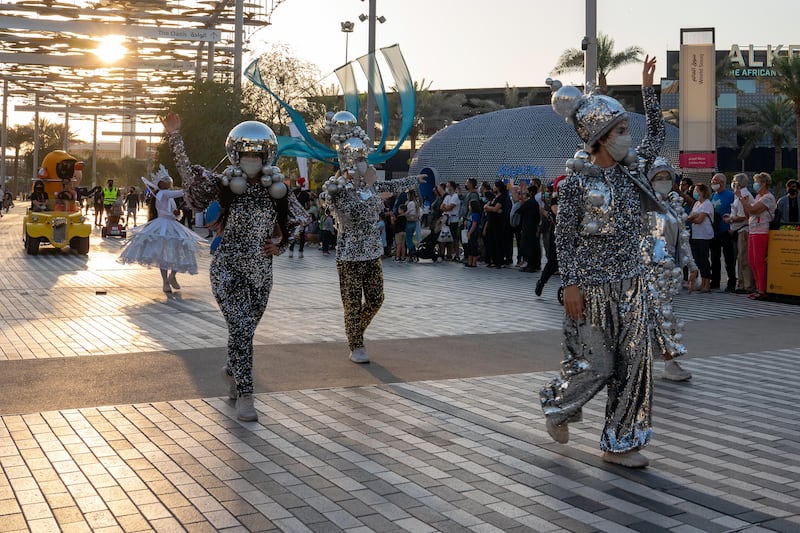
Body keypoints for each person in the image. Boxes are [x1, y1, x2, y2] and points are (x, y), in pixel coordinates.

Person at [540, 55, 664, 468]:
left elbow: (657, 135)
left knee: (635, 363)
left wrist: (649, 92)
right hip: (590, 289)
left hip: (632, 283)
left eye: (627, 129)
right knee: (597, 365)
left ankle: (621, 442)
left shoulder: (634, 172)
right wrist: (571, 283)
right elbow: (564, 236)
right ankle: (557, 405)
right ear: (600, 136)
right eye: (621, 130)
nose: (628, 137)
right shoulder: (577, 183)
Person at [162, 113, 310, 422]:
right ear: (236, 156)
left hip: (261, 274)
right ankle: (246, 395)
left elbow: (301, 221)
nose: (252, 160)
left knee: (244, 332)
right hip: (228, 270)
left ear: (266, 155)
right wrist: (176, 137)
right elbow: (189, 177)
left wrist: (280, 245)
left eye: (257, 155)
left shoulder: (277, 190)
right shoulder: (225, 186)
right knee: (241, 328)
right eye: (246, 155)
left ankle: (232, 371)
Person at [322, 111, 424, 364]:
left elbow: (389, 187)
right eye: (358, 160)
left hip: (372, 252)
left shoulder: (370, 187)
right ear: (347, 162)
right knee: (353, 303)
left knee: (377, 298)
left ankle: (356, 330)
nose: (363, 164)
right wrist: (376, 201)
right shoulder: (338, 190)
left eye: (364, 159)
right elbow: (352, 215)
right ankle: (356, 344)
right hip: (349, 256)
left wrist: (413, 180)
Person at [643, 158, 697, 382]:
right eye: (659, 178)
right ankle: (663, 362)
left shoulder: (674, 205)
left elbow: (683, 239)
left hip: (668, 272)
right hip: (649, 271)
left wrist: (691, 265)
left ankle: (667, 362)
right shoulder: (644, 205)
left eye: (667, 177)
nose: (664, 181)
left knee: (662, 317)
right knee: (656, 317)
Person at [118, 166, 205, 294]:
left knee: (179, 249)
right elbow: (178, 195)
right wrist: (190, 187)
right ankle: (165, 281)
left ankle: (172, 276)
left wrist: (176, 213)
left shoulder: (167, 196)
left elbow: (174, 211)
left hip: (172, 224)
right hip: (163, 226)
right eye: (166, 180)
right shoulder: (163, 193)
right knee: (165, 254)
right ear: (161, 183)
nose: (169, 182)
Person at [738, 172, 776, 300]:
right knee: (752, 261)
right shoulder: (759, 196)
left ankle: (762, 289)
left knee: (759, 261)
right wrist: (745, 205)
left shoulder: (768, 198)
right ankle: (758, 287)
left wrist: (743, 202)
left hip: (761, 231)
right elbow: (749, 213)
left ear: (764, 183)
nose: (755, 185)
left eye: (757, 182)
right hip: (753, 230)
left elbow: (754, 210)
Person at [725, 173, 756, 294]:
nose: (732, 183)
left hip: (744, 230)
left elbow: (744, 216)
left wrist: (731, 219)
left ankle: (747, 285)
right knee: (740, 258)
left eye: (733, 180)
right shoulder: (738, 195)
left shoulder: (744, 195)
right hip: (738, 230)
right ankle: (741, 283)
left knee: (744, 258)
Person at [534, 177, 562, 297]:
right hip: (556, 234)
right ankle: (541, 282)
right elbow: (554, 211)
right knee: (553, 261)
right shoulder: (554, 201)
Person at [709, 173, 736, 292]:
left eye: (716, 181)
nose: (713, 183)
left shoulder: (731, 195)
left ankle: (731, 282)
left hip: (726, 231)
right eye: (713, 181)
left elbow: (736, 210)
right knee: (715, 258)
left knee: (729, 258)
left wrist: (732, 227)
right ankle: (715, 281)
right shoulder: (712, 195)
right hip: (714, 231)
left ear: (722, 182)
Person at [686, 183, 714, 293]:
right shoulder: (697, 203)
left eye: (697, 190)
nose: (695, 193)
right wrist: (693, 217)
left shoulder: (707, 204)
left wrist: (693, 217)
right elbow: (690, 216)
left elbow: (699, 220)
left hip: (704, 235)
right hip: (696, 235)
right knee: (698, 259)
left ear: (702, 192)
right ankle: (702, 283)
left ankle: (707, 283)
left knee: (704, 259)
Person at [513, 183, 541, 272]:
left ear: (531, 192)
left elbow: (519, 211)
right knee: (533, 246)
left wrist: (520, 200)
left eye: (527, 192)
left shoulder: (529, 202)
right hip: (533, 226)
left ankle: (530, 265)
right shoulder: (535, 203)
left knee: (527, 247)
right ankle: (534, 264)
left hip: (528, 228)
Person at [483, 180, 511, 268]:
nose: (493, 187)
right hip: (491, 222)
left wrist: (491, 208)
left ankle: (500, 261)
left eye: (494, 186)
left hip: (498, 224)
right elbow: (486, 207)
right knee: (492, 242)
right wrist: (490, 208)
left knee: (498, 242)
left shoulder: (502, 197)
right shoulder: (494, 197)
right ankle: (493, 260)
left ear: (498, 187)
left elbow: (496, 209)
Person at [439, 181, 461, 260]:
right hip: (446, 219)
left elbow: (450, 207)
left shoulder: (455, 196)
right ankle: (445, 254)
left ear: (452, 187)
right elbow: (441, 207)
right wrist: (446, 208)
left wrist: (446, 208)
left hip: (453, 219)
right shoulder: (447, 197)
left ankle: (456, 254)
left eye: (448, 186)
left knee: (454, 238)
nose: (447, 187)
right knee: (445, 237)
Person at [463, 199, 481, 268]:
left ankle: (474, 262)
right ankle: (470, 262)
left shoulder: (476, 215)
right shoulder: (471, 214)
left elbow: (474, 224)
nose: (469, 207)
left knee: (474, 247)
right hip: (470, 231)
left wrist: (470, 232)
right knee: (469, 247)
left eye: (470, 205)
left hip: (473, 232)